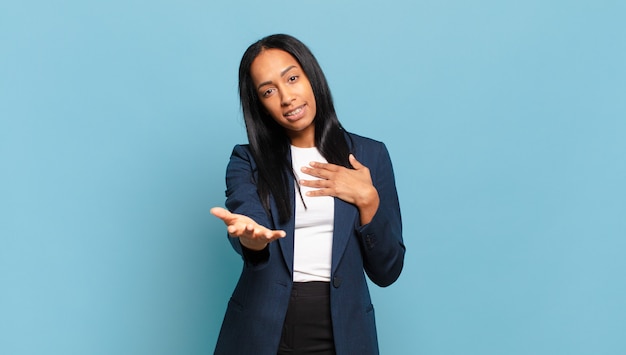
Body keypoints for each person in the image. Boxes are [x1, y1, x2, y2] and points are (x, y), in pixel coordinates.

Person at [210, 34, 405, 355]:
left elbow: (388, 270)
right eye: (269, 91)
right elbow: (247, 217)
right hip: (262, 329)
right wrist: (253, 240)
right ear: (260, 105)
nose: (286, 97)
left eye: (292, 78)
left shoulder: (371, 155)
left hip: (343, 329)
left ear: (311, 76)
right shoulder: (247, 160)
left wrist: (368, 202)